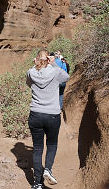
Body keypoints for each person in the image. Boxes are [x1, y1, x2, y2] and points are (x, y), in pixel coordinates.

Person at [26, 50, 70, 189]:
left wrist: (35, 66)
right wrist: (54, 64)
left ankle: (37, 183)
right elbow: (66, 77)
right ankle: (48, 169)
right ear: (48, 59)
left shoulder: (31, 72)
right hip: (52, 115)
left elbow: (29, 84)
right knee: (51, 145)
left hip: (36, 114)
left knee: (37, 149)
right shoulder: (55, 72)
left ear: (37, 59)